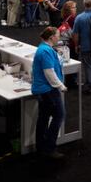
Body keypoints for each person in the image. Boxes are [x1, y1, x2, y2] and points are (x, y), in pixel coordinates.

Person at [31, 27, 67, 159]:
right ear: (52, 37)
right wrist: (61, 85)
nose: (60, 36)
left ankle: (41, 147)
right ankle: (50, 147)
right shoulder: (46, 51)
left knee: (43, 118)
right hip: (48, 90)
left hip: (42, 90)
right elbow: (49, 72)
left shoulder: (43, 48)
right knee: (59, 115)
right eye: (58, 35)